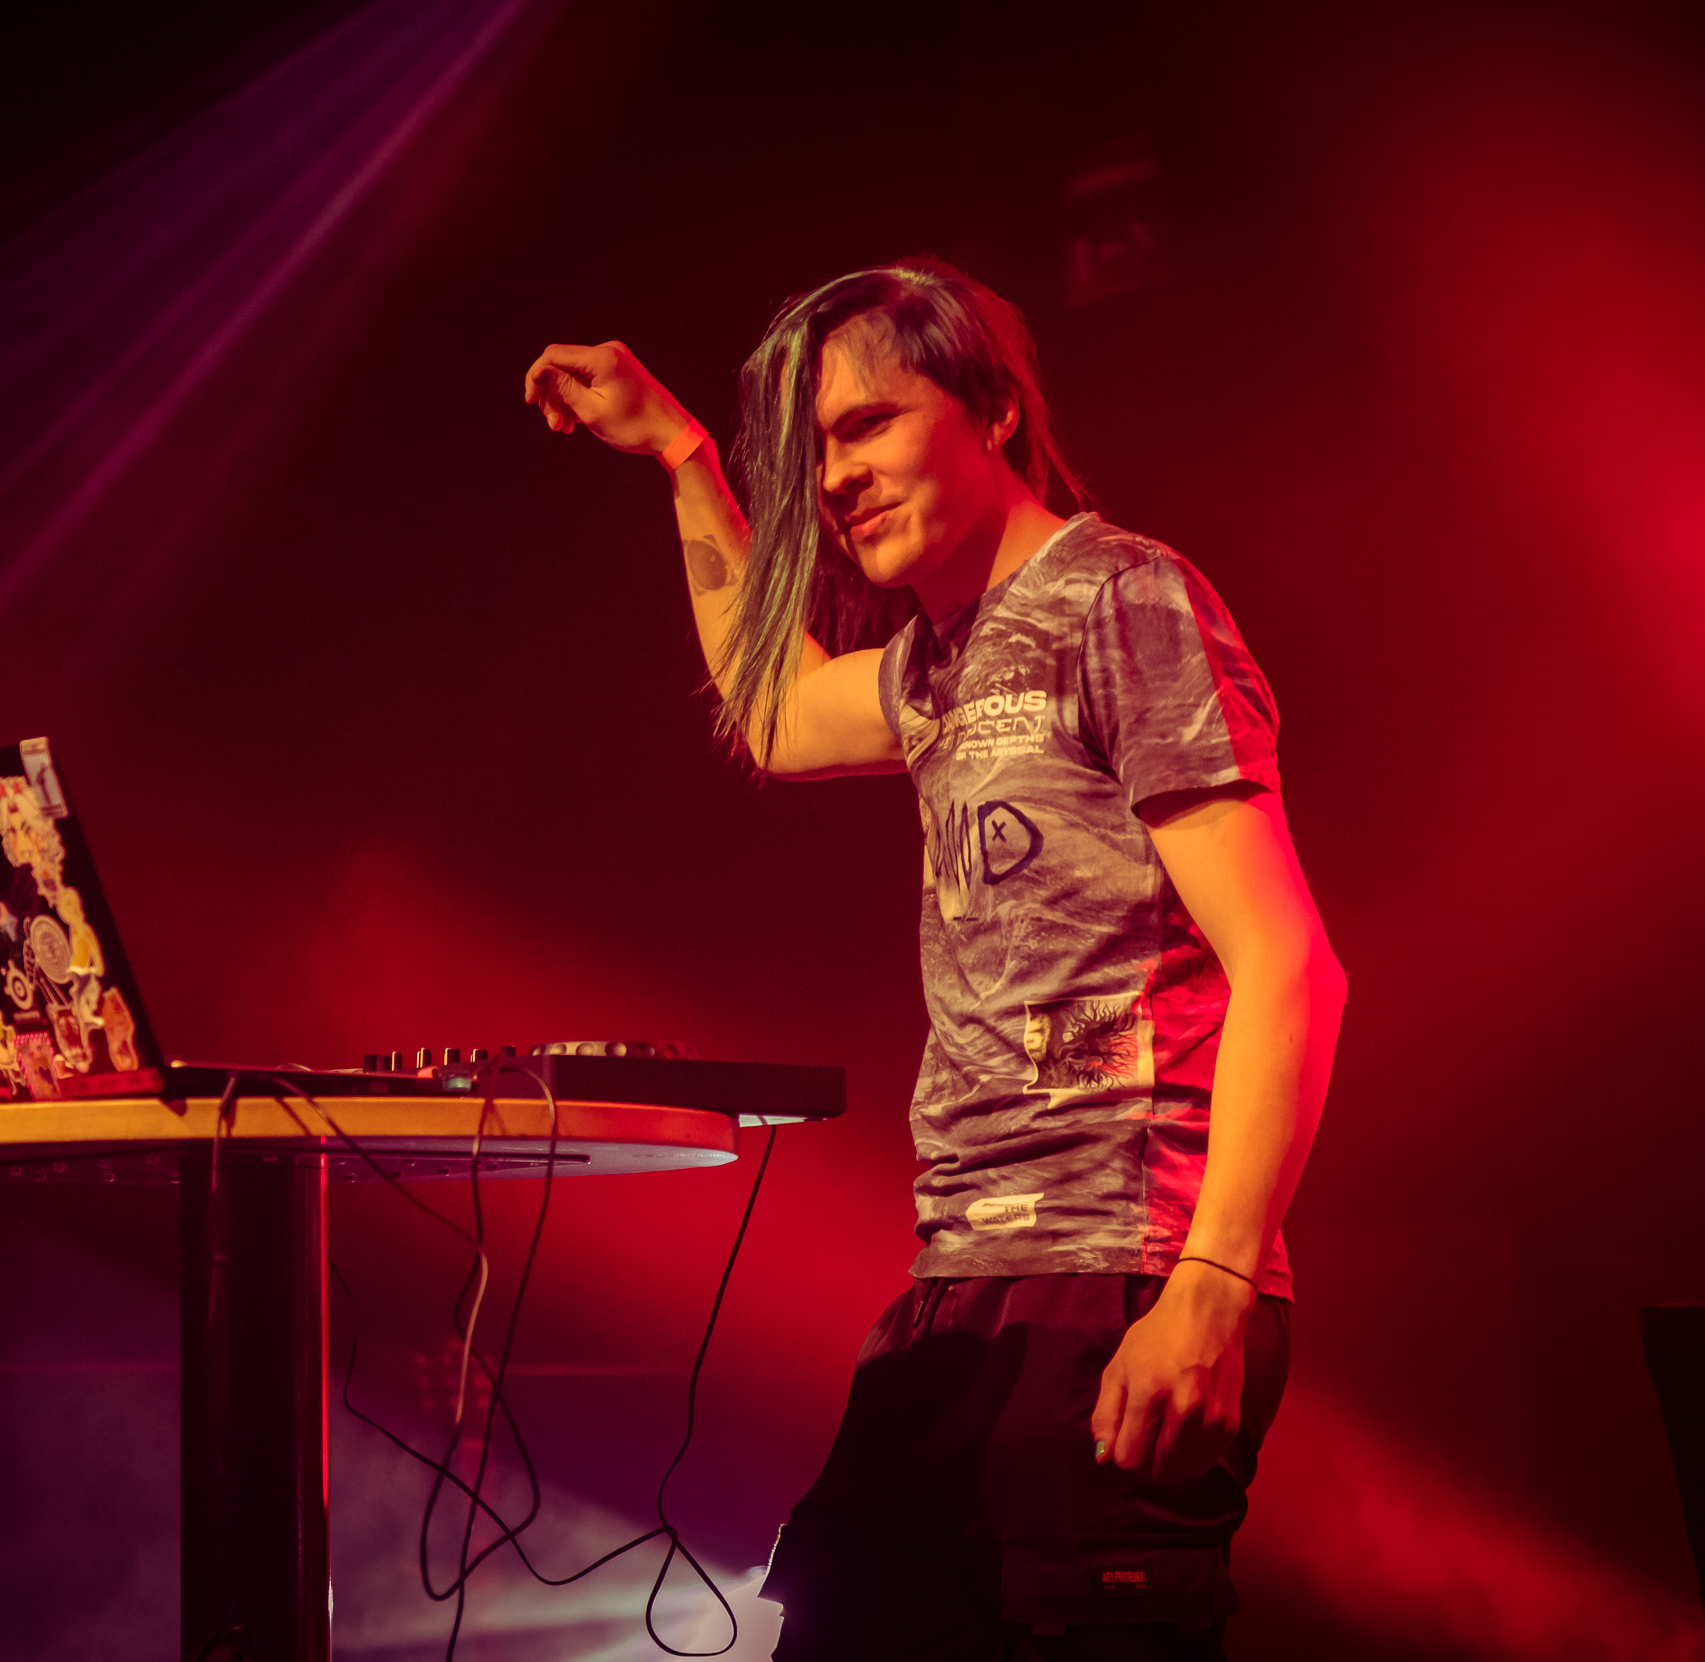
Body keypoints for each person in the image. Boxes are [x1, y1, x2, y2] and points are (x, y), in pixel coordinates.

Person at [522, 258, 1345, 1660]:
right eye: (816, 451)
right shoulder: (938, 663)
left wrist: (1209, 1287)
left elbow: (1290, 965)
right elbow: (777, 711)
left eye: (867, 426)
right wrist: (683, 457)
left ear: (996, 412)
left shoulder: (1122, 598)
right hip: (967, 1284)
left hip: (1124, 1269)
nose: (834, 480)